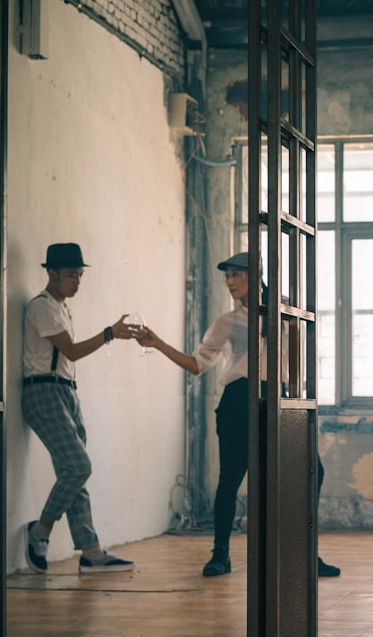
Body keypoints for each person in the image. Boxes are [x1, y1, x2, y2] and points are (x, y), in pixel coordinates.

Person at [137, 252, 339, 578]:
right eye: (227, 277)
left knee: (311, 471)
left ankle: (305, 555)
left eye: (236, 275)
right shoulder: (227, 322)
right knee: (229, 481)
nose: (230, 282)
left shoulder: (286, 311)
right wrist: (157, 343)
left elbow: (299, 354)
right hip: (238, 402)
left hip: (280, 399)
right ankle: (220, 555)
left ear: (254, 275)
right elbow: (197, 365)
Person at [22, 242, 139, 574]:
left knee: (73, 474)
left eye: (80, 275)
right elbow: (70, 352)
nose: (77, 281)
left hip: (65, 392)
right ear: (52, 273)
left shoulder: (61, 308)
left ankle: (90, 551)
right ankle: (40, 529)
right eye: (72, 275)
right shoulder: (42, 307)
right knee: (78, 467)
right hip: (43, 392)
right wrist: (109, 334)